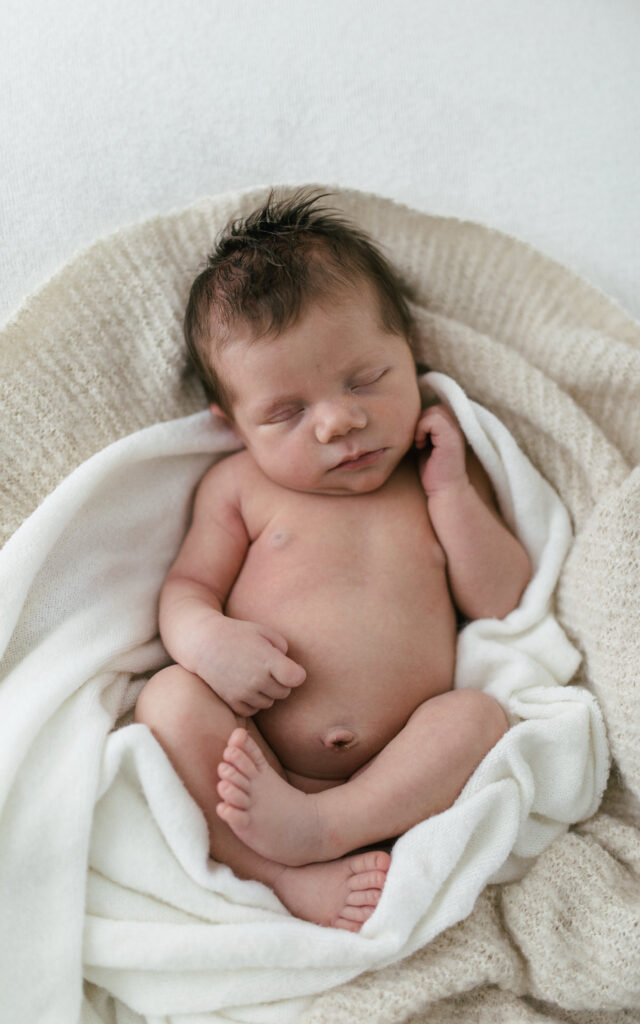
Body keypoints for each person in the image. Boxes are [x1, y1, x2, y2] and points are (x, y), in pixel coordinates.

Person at [135, 190, 531, 931]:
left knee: (476, 718)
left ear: (410, 352)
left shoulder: (436, 474)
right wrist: (205, 641)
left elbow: (502, 600)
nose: (338, 421)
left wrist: (450, 493)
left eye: (366, 380)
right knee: (166, 700)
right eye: (285, 413)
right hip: (256, 763)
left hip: (399, 769)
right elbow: (186, 587)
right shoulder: (239, 489)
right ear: (233, 426)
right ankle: (278, 874)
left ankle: (327, 828)